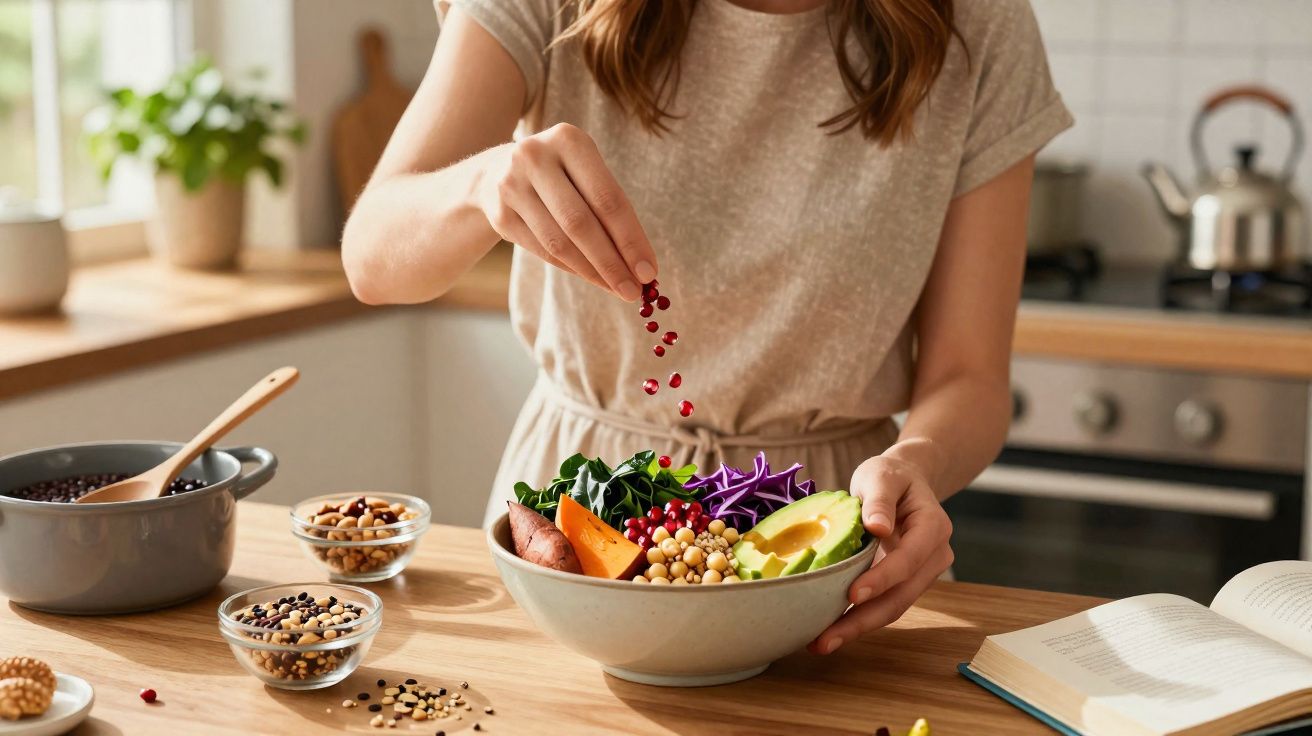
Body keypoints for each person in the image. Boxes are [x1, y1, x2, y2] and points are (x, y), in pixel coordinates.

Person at [341, 0, 1071, 653]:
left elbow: (970, 378)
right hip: (580, 525)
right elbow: (373, 258)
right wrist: (479, 185)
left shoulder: (980, 21)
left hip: (831, 543)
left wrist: (918, 466)